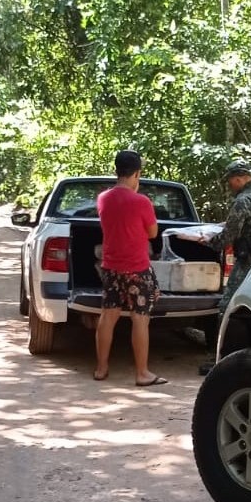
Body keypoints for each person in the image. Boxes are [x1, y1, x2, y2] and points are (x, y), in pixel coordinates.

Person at [93, 149, 168, 387]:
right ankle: (142, 373)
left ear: (117, 171)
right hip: (137, 268)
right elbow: (153, 233)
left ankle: (101, 368)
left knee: (108, 316)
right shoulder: (142, 201)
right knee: (140, 318)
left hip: (111, 267)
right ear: (137, 174)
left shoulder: (103, 198)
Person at [198, 159, 251, 375]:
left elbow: (229, 236)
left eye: (231, 180)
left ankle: (219, 361)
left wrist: (208, 241)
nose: (230, 185)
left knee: (227, 306)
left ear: (239, 178)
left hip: (249, 260)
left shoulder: (243, 200)